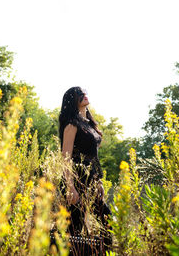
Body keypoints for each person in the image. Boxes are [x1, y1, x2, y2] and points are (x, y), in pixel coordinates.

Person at [59, 86, 112, 252]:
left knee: (107, 219)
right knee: (74, 229)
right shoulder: (72, 124)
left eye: (84, 92)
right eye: (79, 94)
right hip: (77, 180)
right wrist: (70, 187)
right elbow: (65, 158)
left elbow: (93, 157)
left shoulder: (89, 125)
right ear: (72, 101)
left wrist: (99, 181)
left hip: (92, 180)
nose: (84, 95)